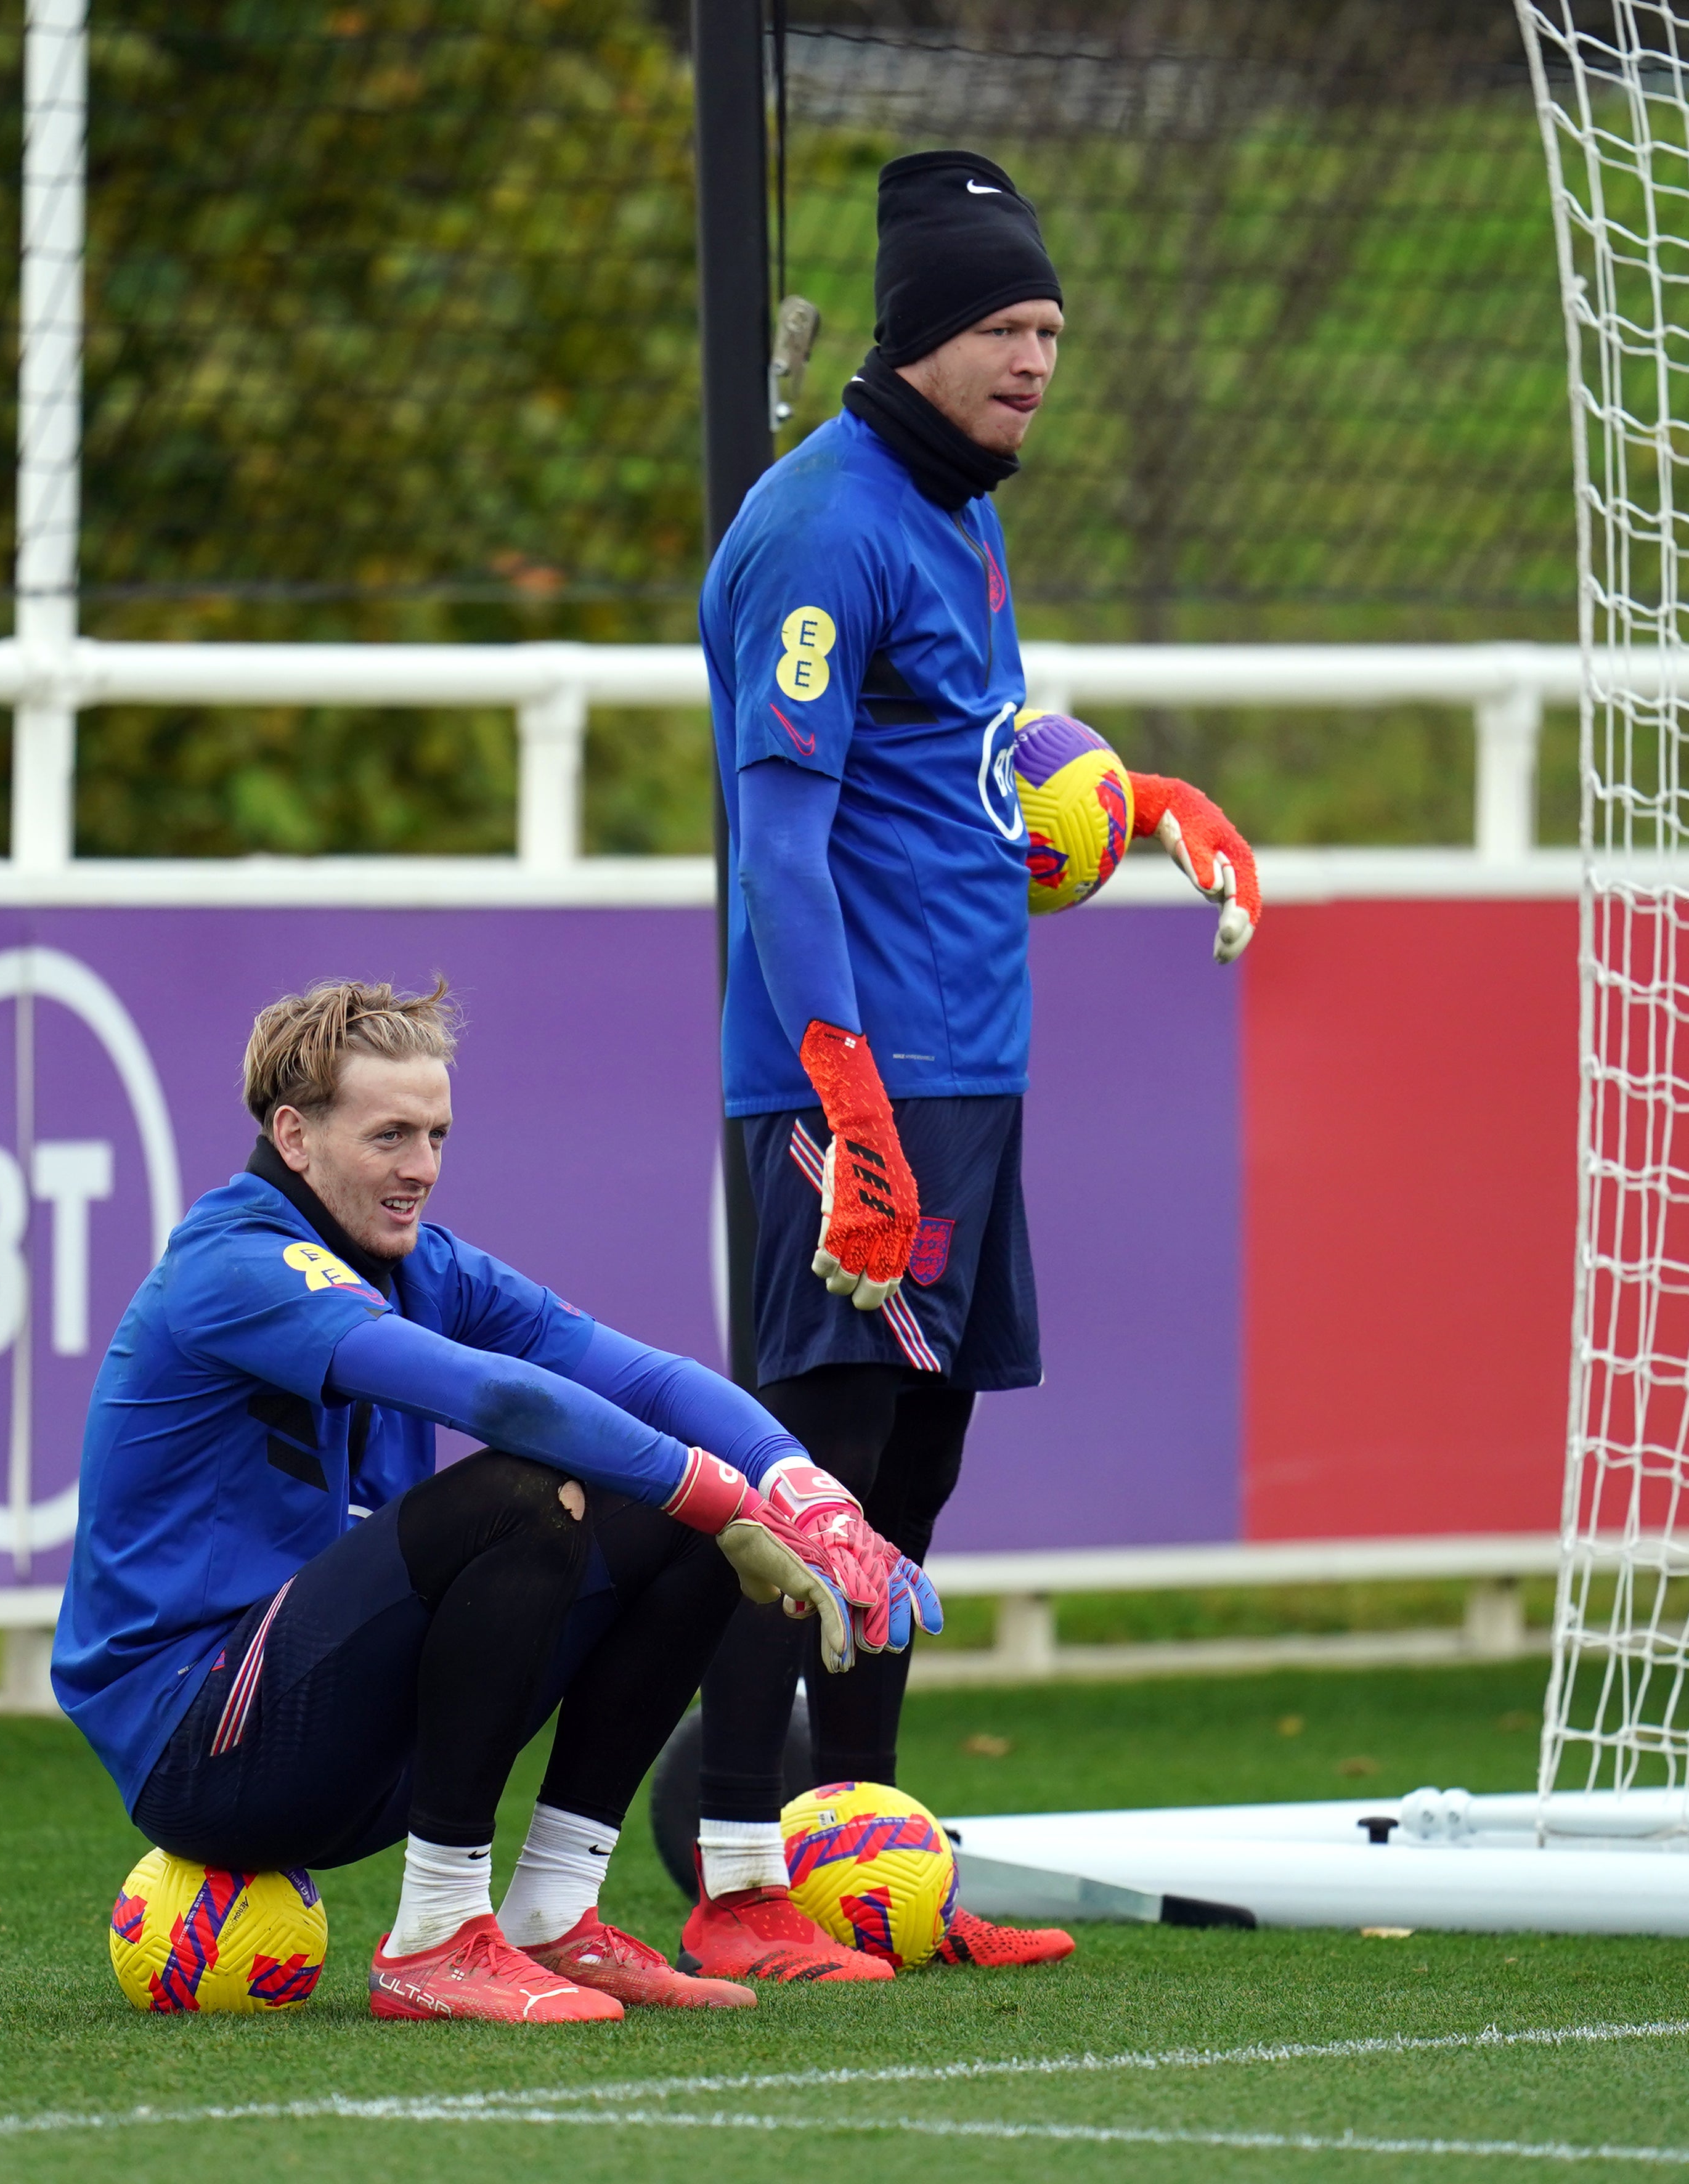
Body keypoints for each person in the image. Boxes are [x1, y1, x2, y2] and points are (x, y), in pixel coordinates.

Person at [685, 150, 1261, 1982]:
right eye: (1009, 328)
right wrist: (848, 1100)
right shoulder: (817, 525)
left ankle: (863, 1864)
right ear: (924, 332)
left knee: (909, 1491)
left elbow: (984, 763)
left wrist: (1146, 800)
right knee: (811, 1483)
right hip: (847, 1086)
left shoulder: (964, 518)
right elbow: (778, 844)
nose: (1038, 362)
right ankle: (723, 1871)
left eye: (1054, 333)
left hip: (970, 1072)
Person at [54, 978, 937, 2025]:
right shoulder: (232, 1266)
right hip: (203, 1750)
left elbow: (647, 1377)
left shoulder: (420, 1262)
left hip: (351, 1746)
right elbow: (493, 1394)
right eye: (390, 1135)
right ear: (293, 1134)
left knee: (693, 1504)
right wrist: (723, 1498)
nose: (421, 1169)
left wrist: (805, 1494)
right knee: (531, 1489)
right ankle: (432, 1937)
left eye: (435, 1135)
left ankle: (555, 1915)